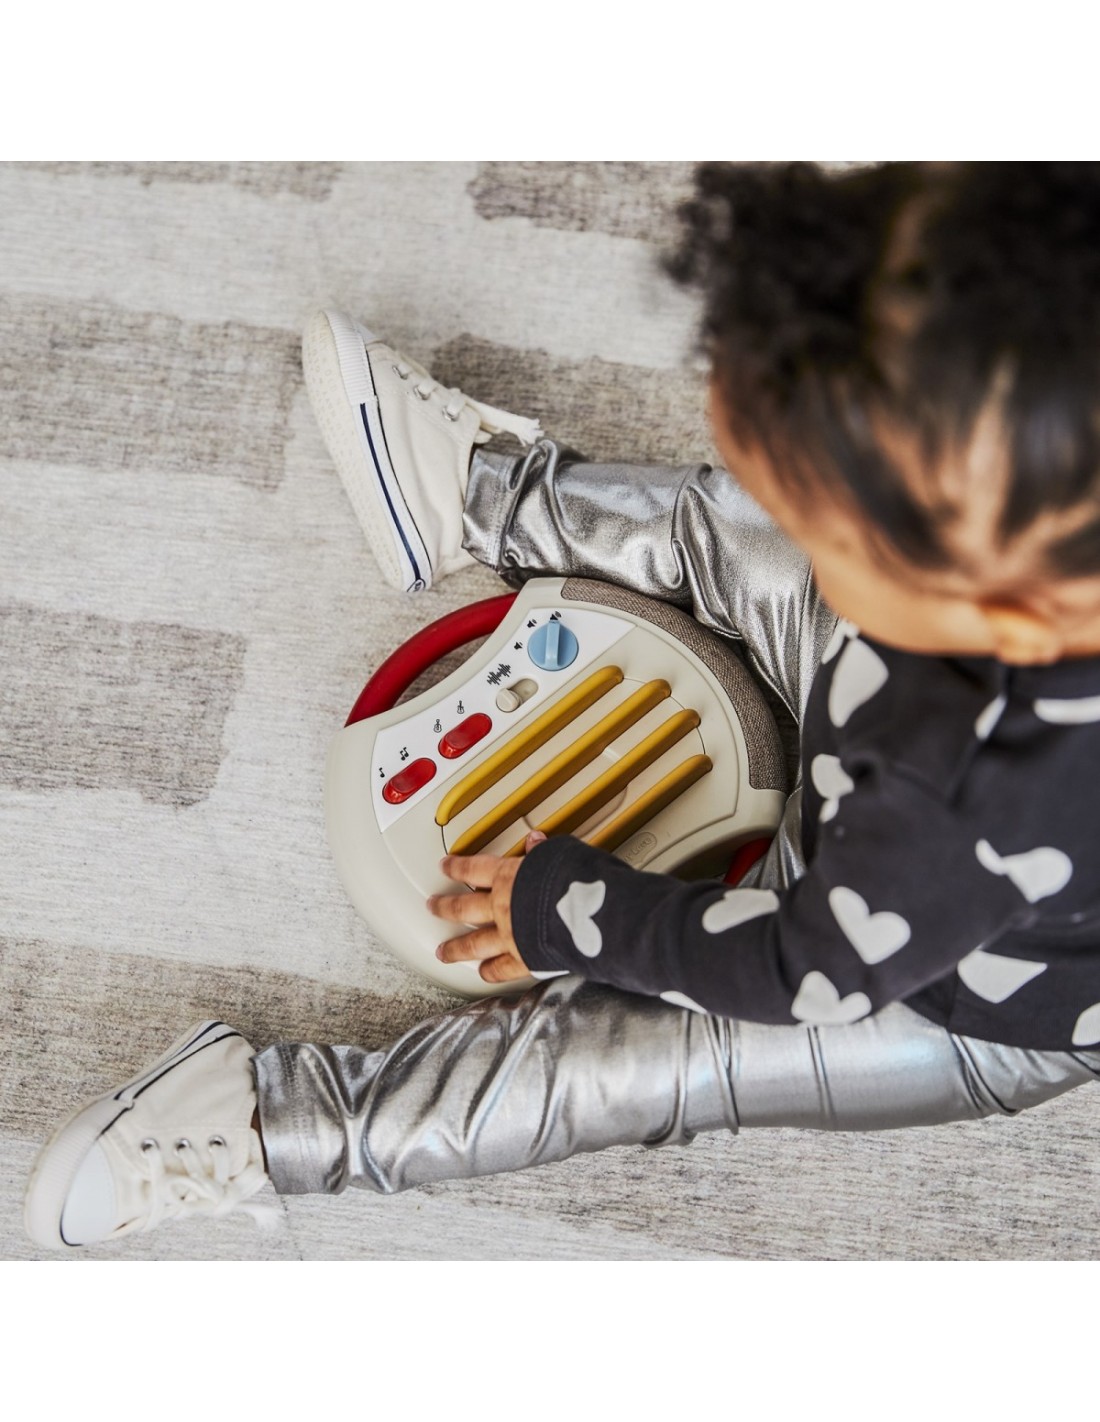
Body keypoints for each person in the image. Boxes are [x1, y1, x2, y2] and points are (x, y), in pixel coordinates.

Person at [24, 161, 1100, 1251]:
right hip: (904, 736)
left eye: (823, 518)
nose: (798, 514)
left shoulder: (972, 792)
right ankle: (479, 496)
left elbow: (798, 966)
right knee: (734, 528)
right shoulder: (1023, 534)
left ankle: (279, 1123)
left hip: (954, 1002)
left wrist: (572, 908)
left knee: (641, 1070)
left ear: (1002, 606)